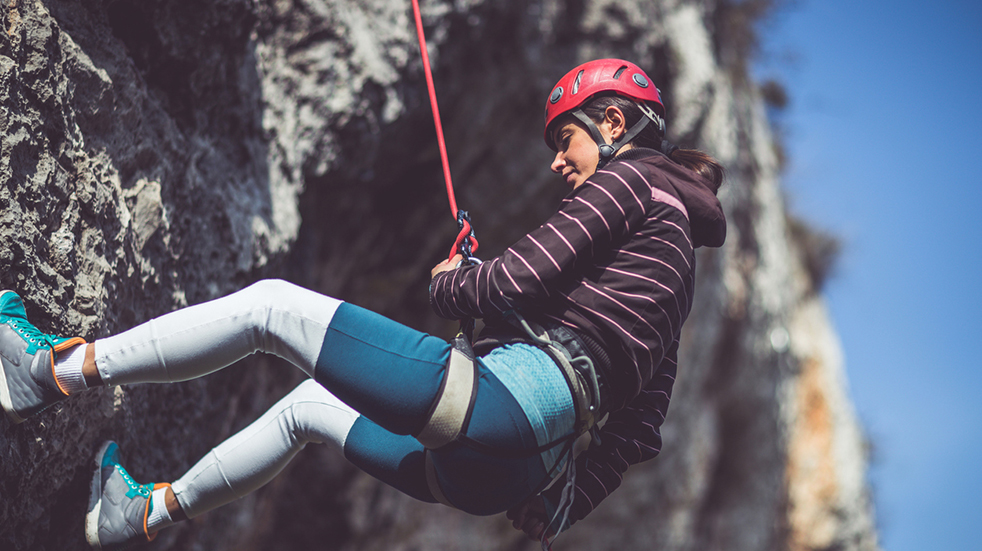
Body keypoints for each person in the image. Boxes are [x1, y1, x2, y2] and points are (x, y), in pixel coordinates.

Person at [0, 58, 725, 550]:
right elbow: (638, 428)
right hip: (508, 471)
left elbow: (508, 284)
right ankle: (142, 514)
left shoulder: (630, 185)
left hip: (503, 405)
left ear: (616, 124)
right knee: (307, 409)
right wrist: (556, 506)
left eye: (566, 138)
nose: (556, 161)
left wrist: (453, 279)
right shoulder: (678, 272)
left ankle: (49, 368)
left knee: (271, 308)